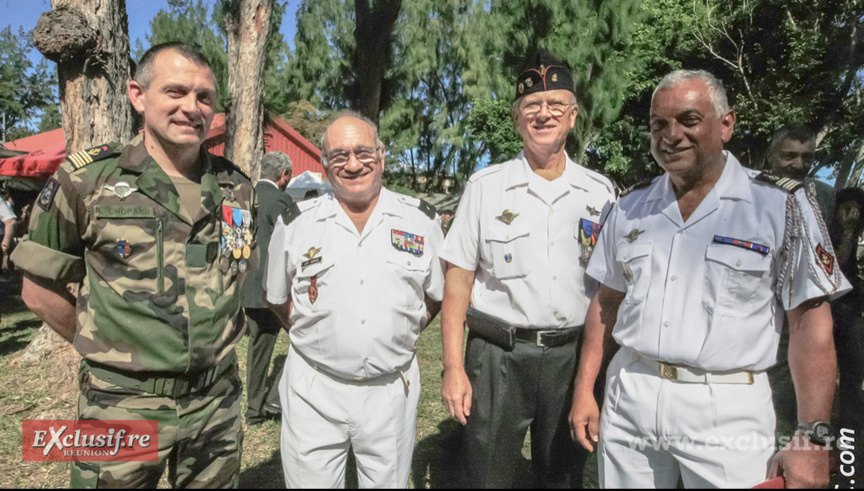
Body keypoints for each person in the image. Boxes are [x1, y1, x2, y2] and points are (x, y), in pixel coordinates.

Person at [568, 69, 851, 489]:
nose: (671, 135)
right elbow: (607, 302)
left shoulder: (780, 205)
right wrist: (584, 388)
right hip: (632, 395)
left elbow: (810, 324)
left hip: (727, 406)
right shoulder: (629, 207)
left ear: (726, 124)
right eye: (659, 124)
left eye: (689, 120)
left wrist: (812, 437)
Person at [11, 42, 255, 488]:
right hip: (121, 404)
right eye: (176, 91)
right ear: (138, 96)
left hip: (215, 402)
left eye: (204, 97)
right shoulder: (87, 180)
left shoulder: (235, 186)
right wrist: (108, 347)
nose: (192, 108)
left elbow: (234, 273)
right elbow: (38, 289)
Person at [440, 49, 616, 488]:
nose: (543, 113)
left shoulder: (600, 194)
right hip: (498, 356)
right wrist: (452, 367)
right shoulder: (486, 187)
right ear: (516, 117)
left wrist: (591, 379)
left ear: (573, 116)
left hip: (570, 358)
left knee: (562, 476)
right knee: (486, 476)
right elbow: (457, 282)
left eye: (555, 104)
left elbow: (607, 292)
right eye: (531, 105)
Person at [264, 112, 444, 488]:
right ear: (324, 163)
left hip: (390, 390)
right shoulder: (296, 222)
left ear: (381, 156)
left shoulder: (420, 221)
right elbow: (278, 298)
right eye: (339, 155)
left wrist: (401, 332)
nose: (353, 164)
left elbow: (435, 295)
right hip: (314, 389)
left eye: (363, 152)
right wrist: (321, 336)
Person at [242, 151, 293, 426]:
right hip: (273, 288)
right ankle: (274, 398)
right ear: (284, 175)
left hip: (246, 286)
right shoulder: (282, 200)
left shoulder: (244, 197)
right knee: (304, 341)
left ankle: (254, 409)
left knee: (258, 350)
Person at [829, 187, 864, 489]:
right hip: (827, 312)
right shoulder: (827, 230)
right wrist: (848, 231)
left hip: (849, 313)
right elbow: (834, 268)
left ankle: (849, 454)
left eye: (856, 211)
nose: (850, 215)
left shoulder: (855, 234)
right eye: (846, 208)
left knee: (852, 381)